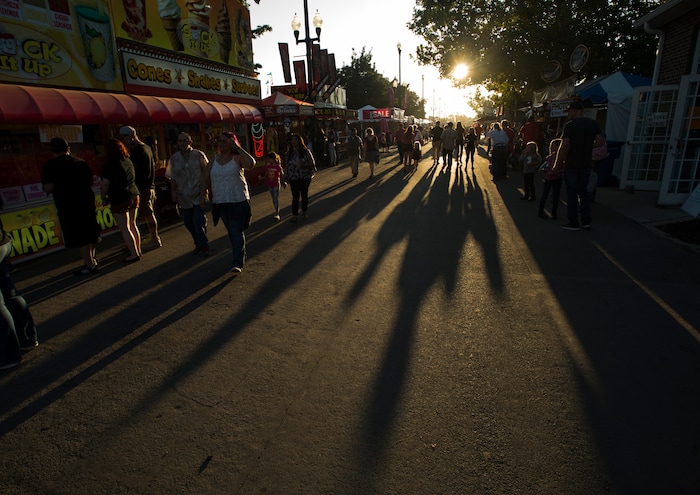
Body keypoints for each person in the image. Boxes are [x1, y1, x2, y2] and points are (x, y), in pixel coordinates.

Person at [41, 137, 101, 276]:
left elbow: (48, 187)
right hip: (86, 201)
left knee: (81, 237)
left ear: (53, 151)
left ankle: (89, 265)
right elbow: (90, 181)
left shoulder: (50, 166)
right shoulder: (81, 162)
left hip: (68, 205)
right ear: (68, 149)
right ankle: (92, 260)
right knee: (90, 233)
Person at [205, 131, 255, 273]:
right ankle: (240, 254)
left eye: (224, 141)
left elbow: (251, 164)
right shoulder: (213, 159)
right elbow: (205, 178)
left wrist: (238, 147)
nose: (221, 143)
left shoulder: (237, 158)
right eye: (219, 141)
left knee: (235, 231)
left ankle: (237, 262)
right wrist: (204, 195)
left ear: (232, 143)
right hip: (220, 201)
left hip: (238, 199)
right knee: (233, 231)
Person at [553, 100, 603, 230]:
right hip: (586, 163)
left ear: (575, 111)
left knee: (572, 193)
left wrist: (556, 164)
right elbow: (599, 142)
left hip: (572, 163)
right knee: (584, 193)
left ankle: (573, 221)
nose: (569, 114)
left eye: (570, 111)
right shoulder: (593, 124)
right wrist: (587, 146)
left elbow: (563, 146)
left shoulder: (570, 126)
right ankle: (586, 220)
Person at [0, 219, 39, 371]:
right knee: (10, 295)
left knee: (2, 303)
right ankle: (27, 338)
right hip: (3, 242)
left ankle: (9, 355)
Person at [167, 132, 210, 255]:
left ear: (190, 142)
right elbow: (172, 177)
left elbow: (206, 174)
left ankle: (204, 246)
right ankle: (198, 242)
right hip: (183, 196)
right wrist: (173, 193)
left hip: (198, 194)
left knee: (198, 221)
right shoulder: (174, 158)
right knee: (188, 222)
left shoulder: (198, 155)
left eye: (185, 140)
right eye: (180, 141)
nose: (182, 143)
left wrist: (204, 192)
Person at [119, 126, 161, 249]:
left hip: (143, 187)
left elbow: (135, 171)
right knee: (148, 212)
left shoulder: (138, 150)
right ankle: (152, 237)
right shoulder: (146, 147)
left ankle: (155, 238)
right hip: (149, 186)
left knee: (148, 213)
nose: (122, 141)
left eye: (123, 138)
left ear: (129, 137)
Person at [101, 138, 141, 262]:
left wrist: (103, 197)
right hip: (134, 194)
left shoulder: (109, 164)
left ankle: (134, 253)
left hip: (119, 198)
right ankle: (137, 249)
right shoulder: (128, 161)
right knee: (133, 224)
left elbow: (105, 183)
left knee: (124, 227)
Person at [284, 133, 316, 223]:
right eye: (292, 140)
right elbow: (286, 166)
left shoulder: (306, 151)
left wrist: (303, 165)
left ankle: (304, 211)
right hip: (293, 177)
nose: (293, 141)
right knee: (295, 196)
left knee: (304, 194)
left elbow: (312, 164)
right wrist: (285, 177)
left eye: (295, 139)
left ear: (299, 141)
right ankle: (294, 215)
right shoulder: (288, 154)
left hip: (305, 176)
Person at [538, 139, 563, 220]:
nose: (551, 147)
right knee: (545, 195)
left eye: (553, 145)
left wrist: (556, 172)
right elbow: (546, 167)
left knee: (555, 196)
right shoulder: (550, 157)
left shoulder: (561, 158)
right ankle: (541, 211)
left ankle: (554, 213)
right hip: (549, 177)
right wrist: (544, 170)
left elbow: (563, 169)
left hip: (556, 178)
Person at [263, 152, 286, 221]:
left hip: (276, 184)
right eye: (268, 159)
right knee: (273, 198)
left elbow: (282, 175)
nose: (269, 160)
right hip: (270, 184)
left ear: (274, 159)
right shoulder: (267, 167)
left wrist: (284, 181)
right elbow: (266, 175)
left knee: (275, 198)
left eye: (270, 159)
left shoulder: (278, 167)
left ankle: (277, 213)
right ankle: (276, 209)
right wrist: (262, 178)